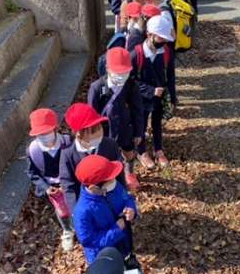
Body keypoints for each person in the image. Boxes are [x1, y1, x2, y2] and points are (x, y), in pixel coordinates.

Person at [88, 47, 144, 191]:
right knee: (105, 155)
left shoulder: (131, 85)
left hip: (126, 127)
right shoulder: (97, 88)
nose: (121, 76)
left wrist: (139, 132)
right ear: (107, 68)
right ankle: (107, 176)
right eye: (118, 72)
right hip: (104, 130)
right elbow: (92, 114)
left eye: (125, 72)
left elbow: (138, 110)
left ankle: (129, 172)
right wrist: (93, 135)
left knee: (129, 152)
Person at [59, 103, 125, 214]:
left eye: (100, 127)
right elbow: (68, 184)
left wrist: (123, 197)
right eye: (93, 131)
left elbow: (120, 174)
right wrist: (75, 210)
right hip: (88, 204)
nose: (99, 133)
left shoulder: (110, 144)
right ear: (78, 133)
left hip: (111, 198)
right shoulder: (68, 154)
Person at [73, 155, 138, 265]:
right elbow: (90, 241)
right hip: (103, 257)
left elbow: (127, 198)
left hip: (124, 242)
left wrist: (131, 209)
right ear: (94, 187)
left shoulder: (114, 187)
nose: (114, 180)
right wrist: (117, 229)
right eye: (110, 180)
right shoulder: (82, 211)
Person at [131, 15, 176, 170]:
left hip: (160, 97)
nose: (163, 42)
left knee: (157, 123)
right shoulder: (136, 54)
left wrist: (173, 98)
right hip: (140, 98)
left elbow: (170, 76)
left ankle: (158, 149)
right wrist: (150, 91)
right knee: (141, 124)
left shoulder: (167, 52)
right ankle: (141, 151)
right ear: (149, 35)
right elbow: (130, 81)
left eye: (165, 39)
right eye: (160, 38)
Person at [27, 108, 74, 251]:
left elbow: (76, 162)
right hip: (52, 186)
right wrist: (46, 187)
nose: (44, 136)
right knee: (61, 210)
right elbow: (33, 173)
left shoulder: (67, 142)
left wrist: (68, 182)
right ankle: (67, 230)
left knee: (76, 203)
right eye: (40, 134)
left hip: (71, 181)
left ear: (55, 128)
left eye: (47, 132)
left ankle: (81, 224)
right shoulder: (33, 150)